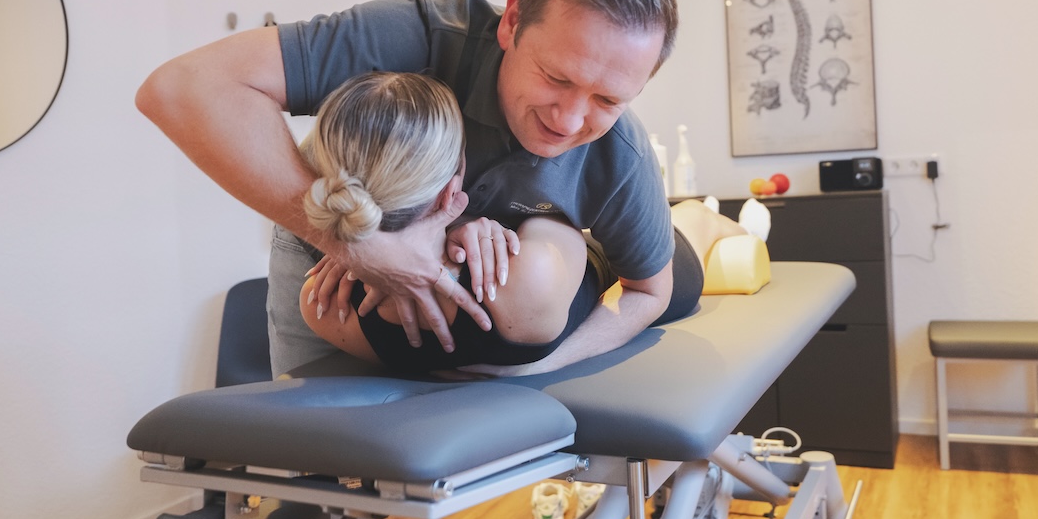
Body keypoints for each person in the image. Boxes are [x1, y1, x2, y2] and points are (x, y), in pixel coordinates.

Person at [137, 0, 692, 381]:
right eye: (556, 77)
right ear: (512, 22)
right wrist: (358, 246)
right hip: (334, 241)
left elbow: (650, 290)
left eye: (607, 100)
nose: (568, 121)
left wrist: (543, 366)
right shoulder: (422, 35)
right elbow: (183, 88)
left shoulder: (620, 156)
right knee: (313, 463)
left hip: (523, 261)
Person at [295, 70, 751, 374]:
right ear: (453, 188)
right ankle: (712, 217)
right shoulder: (531, 271)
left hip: (580, 268)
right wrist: (472, 225)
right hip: (601, 266)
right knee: (692, 226)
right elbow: (574, 232)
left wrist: (442, 230)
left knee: (688, 218)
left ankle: (723, 220)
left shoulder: (321, 305)